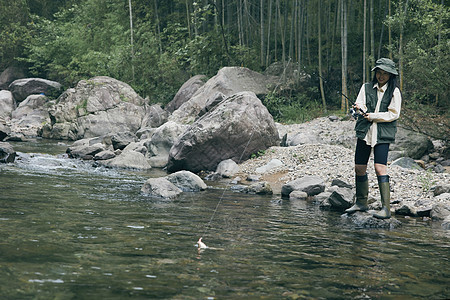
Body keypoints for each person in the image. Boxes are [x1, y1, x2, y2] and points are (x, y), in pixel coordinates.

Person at [345, 58, 402, 219]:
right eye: (379, 72)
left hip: (382, 134)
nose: (381, 76)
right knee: (359, 168)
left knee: (379, 168)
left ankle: (386, 209)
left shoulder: (394, 91)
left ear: (391, 75)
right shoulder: (366, 87)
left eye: (385, 73)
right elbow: (359, 104)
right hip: (365, 133)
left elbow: (394, 114)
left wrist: (373, 116)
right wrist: (357, 109)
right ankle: (361, 202)